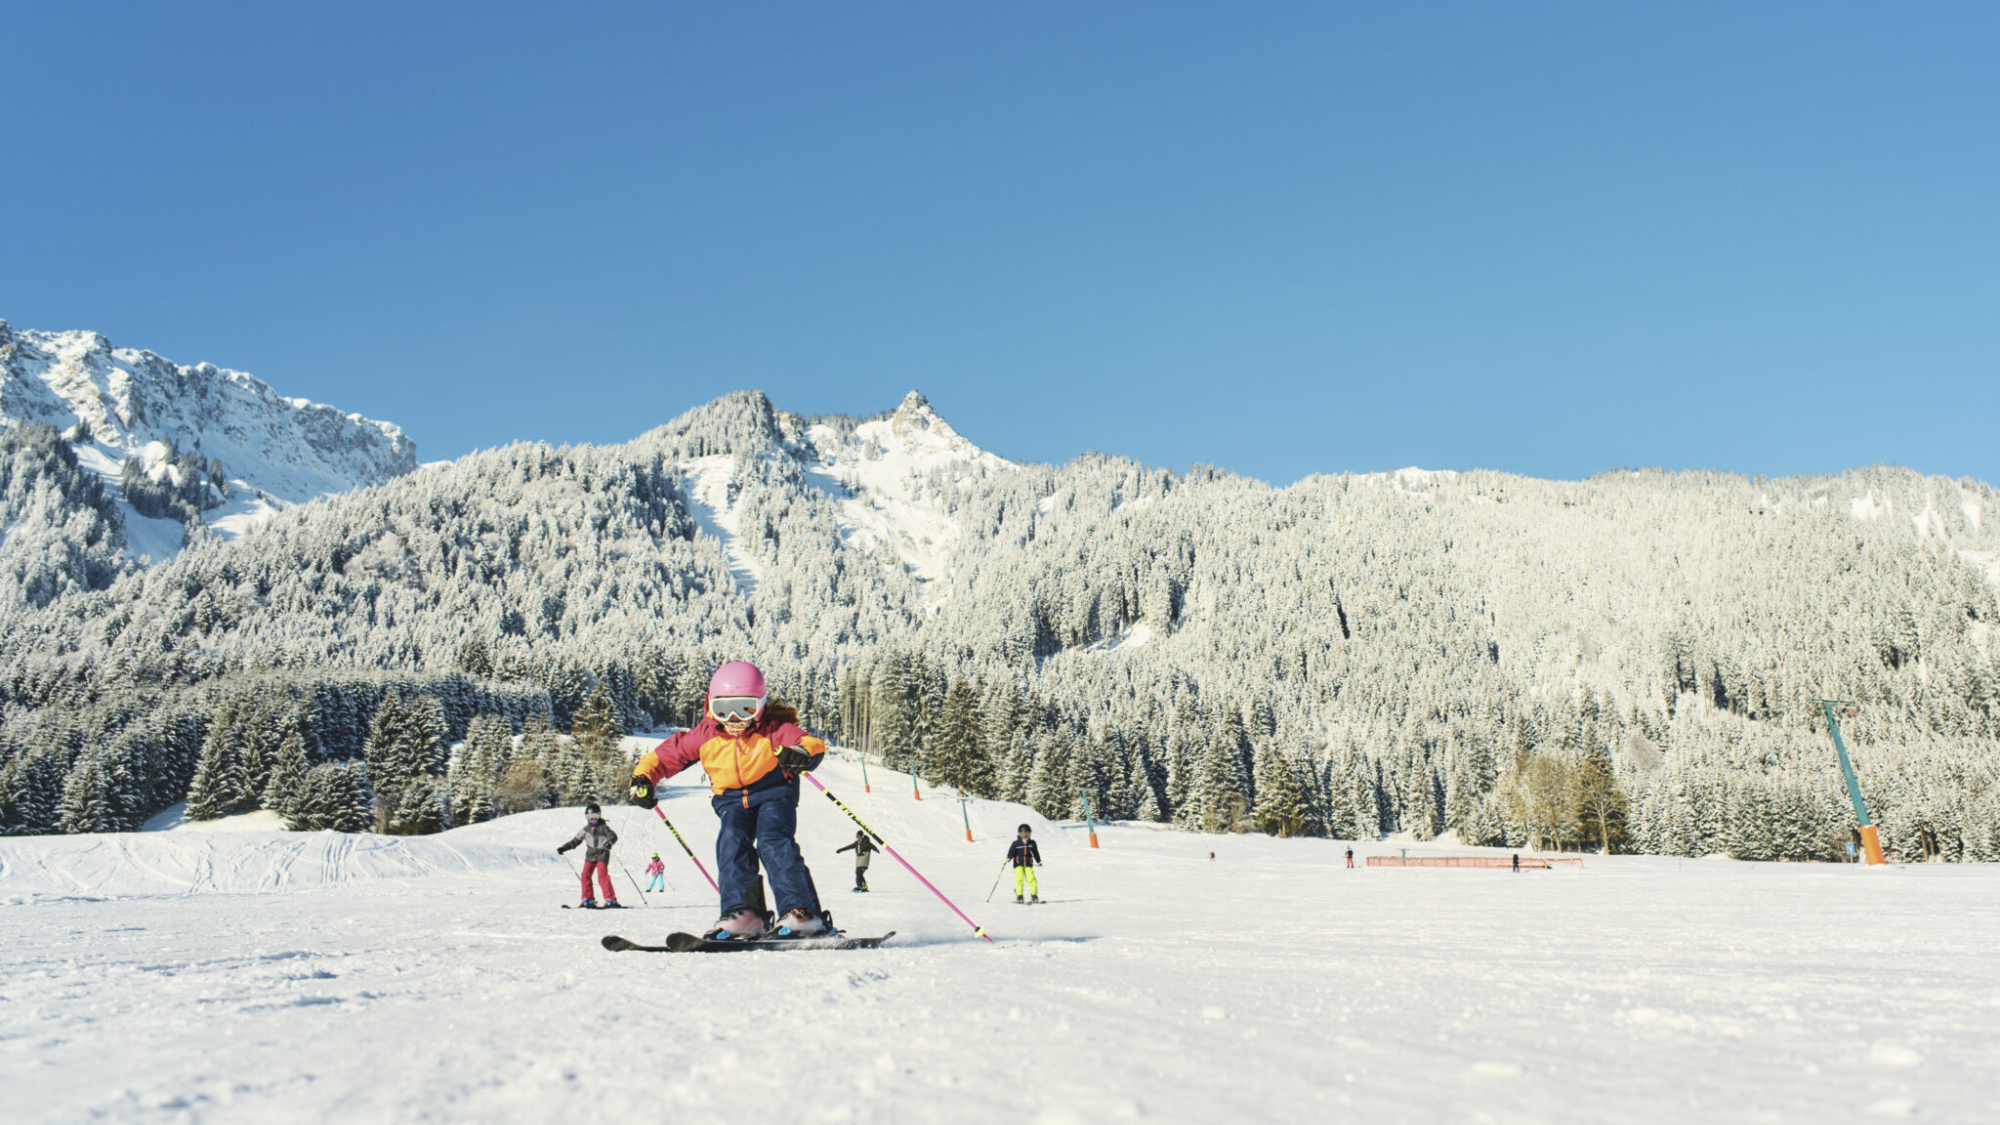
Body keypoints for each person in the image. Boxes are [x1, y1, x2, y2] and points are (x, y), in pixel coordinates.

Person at [628, 662, 830, 939]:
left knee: (773, 841)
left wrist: (801, 754)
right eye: (722, 710)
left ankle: (801, 912)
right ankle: (745, 914)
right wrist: (643, 778)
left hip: (774, 794)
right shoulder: (706, 734)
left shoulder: (772, 730)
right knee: (731, 842)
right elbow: (664, 756)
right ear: (710, 706)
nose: (733, 719)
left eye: (745, 709)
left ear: (760, 704)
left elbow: (810, 743)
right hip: (732, 801)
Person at [557, 803, 621, 909]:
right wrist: (564, 848)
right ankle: (587, 898)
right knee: (585, 875)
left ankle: (610, 899)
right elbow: (575, 841)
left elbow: (613, 836)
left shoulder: (603, 828)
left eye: (595, 817)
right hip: (590, 854)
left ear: (599, 816)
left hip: (602, 853)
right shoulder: (585, 830)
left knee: (602, 876)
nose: (593, 820)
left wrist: (609, 842)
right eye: (590, 817)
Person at [1007, 823, 1042, 904]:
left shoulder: (1032, 843)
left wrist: (1038, 860)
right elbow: (1011, 852)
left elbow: (1035, 852)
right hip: (1018, 863)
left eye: (1027, 834)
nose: (1026, 836)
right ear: (1019, 834)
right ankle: (1019, 896)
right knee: (1020, 879)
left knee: (1031, 879)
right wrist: (1008, 858)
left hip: (1028, 863)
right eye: (1023, 834)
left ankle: (1034, 895)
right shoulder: (1016, 843)